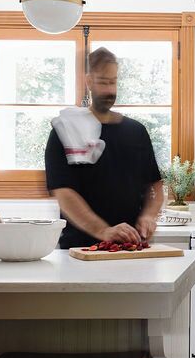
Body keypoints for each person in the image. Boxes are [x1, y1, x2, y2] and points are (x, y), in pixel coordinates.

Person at [45, 47, 163, 249]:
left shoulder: (137, 131)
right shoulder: (65, 131)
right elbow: (65, 195)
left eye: (113, 82)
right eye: (102, 82)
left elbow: (155, 186)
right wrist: (104, 231)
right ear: (89, 81)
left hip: (130, 248)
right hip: (79, 250)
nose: (109, 90)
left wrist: (149, 216)